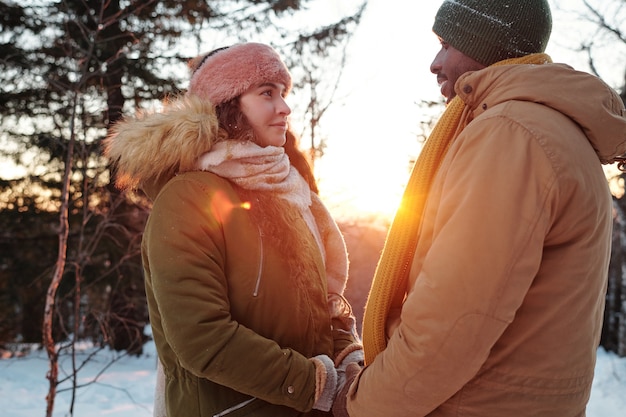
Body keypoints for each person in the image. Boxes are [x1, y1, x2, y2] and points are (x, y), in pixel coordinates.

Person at [331, 1, 626, 416]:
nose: (436, 63)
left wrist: (363, 404)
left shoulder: (511, 135)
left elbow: (452, 322)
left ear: (487, 43)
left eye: (446, 44)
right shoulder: (551, 130)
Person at [104, 42, 363, 417]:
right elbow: (202, 337)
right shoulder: (188, 197)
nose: (285, 108)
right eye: (267, 93)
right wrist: (316, 385)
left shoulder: (289, 191)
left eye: (284, 94)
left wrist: (345, 352)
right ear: (228, 104)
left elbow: (318, 301)